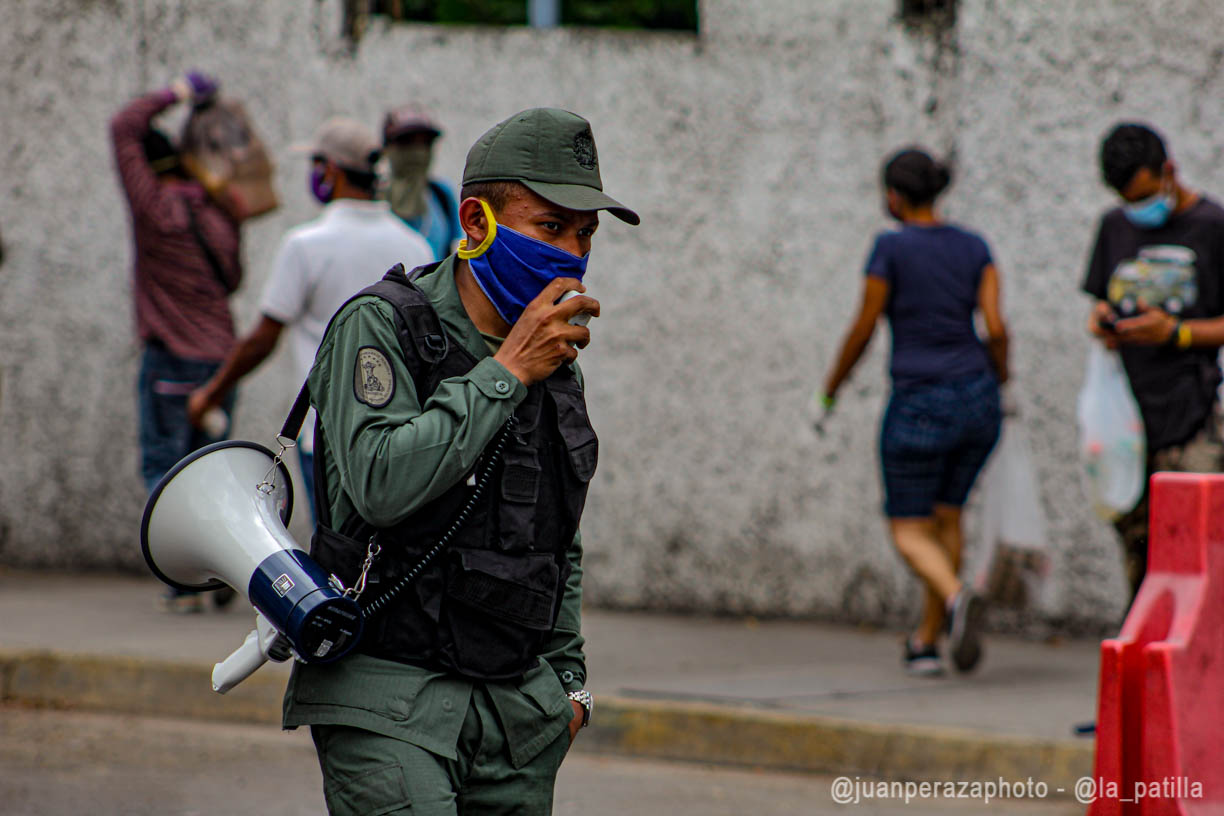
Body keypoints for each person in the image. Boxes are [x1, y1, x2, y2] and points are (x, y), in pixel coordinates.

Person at [281, 108, 638, 815]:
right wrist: (505, 371)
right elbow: (380, 484)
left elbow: (555, 536)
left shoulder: (554, 361)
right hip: (389, 700)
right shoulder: (383, 325)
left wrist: (571, 687)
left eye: (585, 233)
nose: (571, 250)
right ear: (476, 223)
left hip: (516, 717)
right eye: (550, 226)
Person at [821, 148, 1008, 677]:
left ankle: (955, 595)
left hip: (920, 403)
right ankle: (927, 641)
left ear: (893, 196)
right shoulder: (975, 246)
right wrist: (1004, 382)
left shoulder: (891, 247)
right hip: (978, 398)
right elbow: (996, 328)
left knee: (907, 528)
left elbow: (863, 327)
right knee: (947, 515)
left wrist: (831, 389)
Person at [187, 117, 433, 517]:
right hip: (398, 435)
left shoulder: (305, 245)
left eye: (316, 164)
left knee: (334, 551)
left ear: (330, 171)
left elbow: (263, 338)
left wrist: (209, 394)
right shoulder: (415, 246)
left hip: (325, 434)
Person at [110, 71, 242, 614]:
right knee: (212, 475)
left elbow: (122, 126)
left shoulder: (153, 207)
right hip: (220, 361)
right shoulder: (222, 210)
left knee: (168, 473)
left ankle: (186, 586)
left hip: (170, 361)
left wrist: (176, 93)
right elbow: (233, 279)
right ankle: (222, 573)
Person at [1083, 123, 1224, 601]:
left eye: (1144, 195)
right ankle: (1146, 646)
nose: (1139, 209)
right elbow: (1100, 302)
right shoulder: (1113, 227)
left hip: (1194, 414)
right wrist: (1102, 322)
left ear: (1169, 171)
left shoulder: (1212, 226)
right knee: (1136, 541)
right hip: (1128, 418)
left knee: (1194, 540)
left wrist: (1177, 333)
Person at [382, 103, 462, 259]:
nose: (418, 152)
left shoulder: (441, 195)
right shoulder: (373, 200)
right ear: (387, 148)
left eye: (426, 143)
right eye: (406, 142)